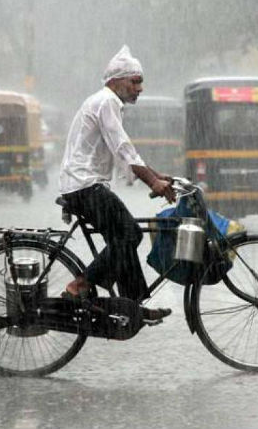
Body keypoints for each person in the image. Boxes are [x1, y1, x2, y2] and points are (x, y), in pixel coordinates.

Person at [59, 45, 176, 323]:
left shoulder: (106, 102)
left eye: (140, 81)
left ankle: (132, 306)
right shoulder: (106, 101)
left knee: (121, 238)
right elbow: (122, 147)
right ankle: (80, 285)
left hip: (83, 184)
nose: (140, 88)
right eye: (135, 81)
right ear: (116, 81)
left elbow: (124, 150)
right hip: (83, 185)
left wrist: (157, 176)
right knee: (130, 234)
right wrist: (151, 182)